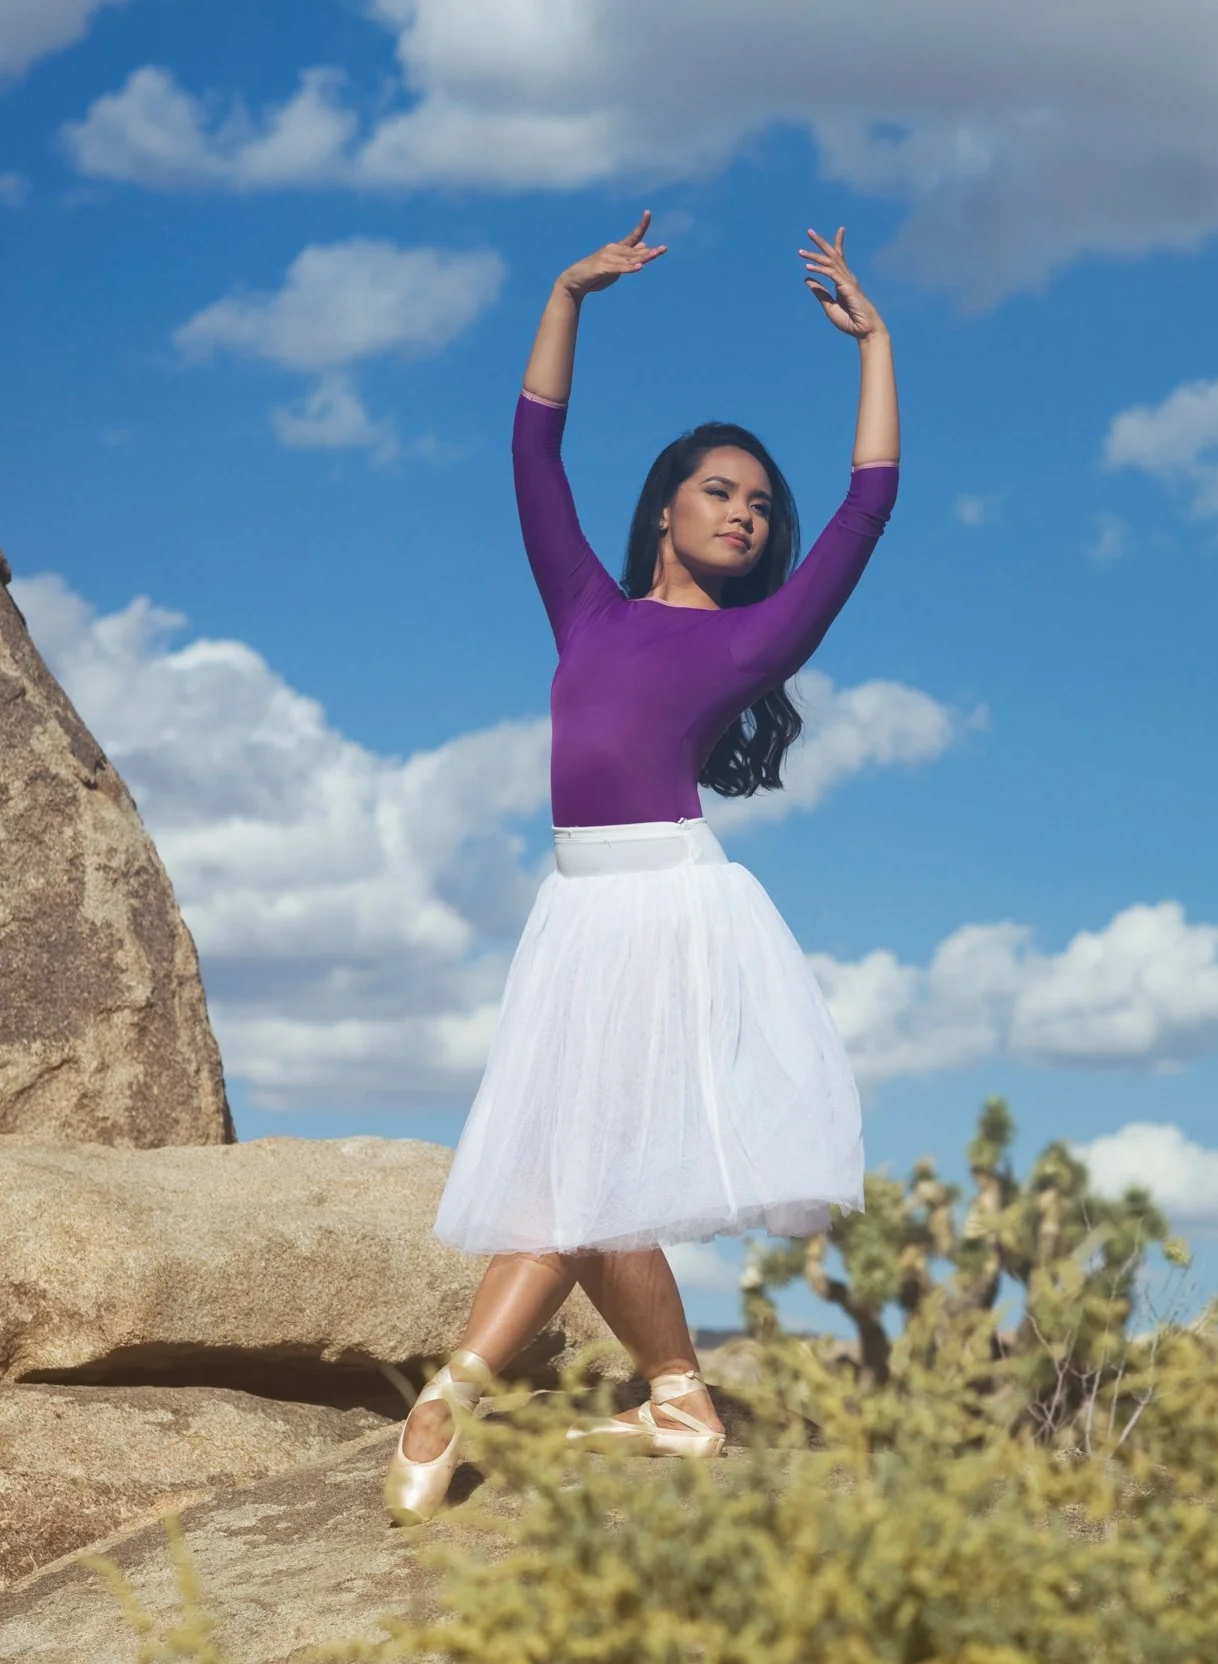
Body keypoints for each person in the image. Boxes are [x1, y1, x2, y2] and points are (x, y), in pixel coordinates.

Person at [384, 212, 900, 1525]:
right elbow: (532, 445)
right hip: (573, 910)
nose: (744, 514)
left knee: (566, 1178)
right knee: (597, 1183)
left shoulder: (753, 643)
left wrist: (875, 346)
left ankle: (450, 1393)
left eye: (758, 506)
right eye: (722, 491)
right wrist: (567, 291)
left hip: (667, 907)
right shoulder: (585, 607)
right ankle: (679, 1398)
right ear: (666, 505)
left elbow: (869, 502)